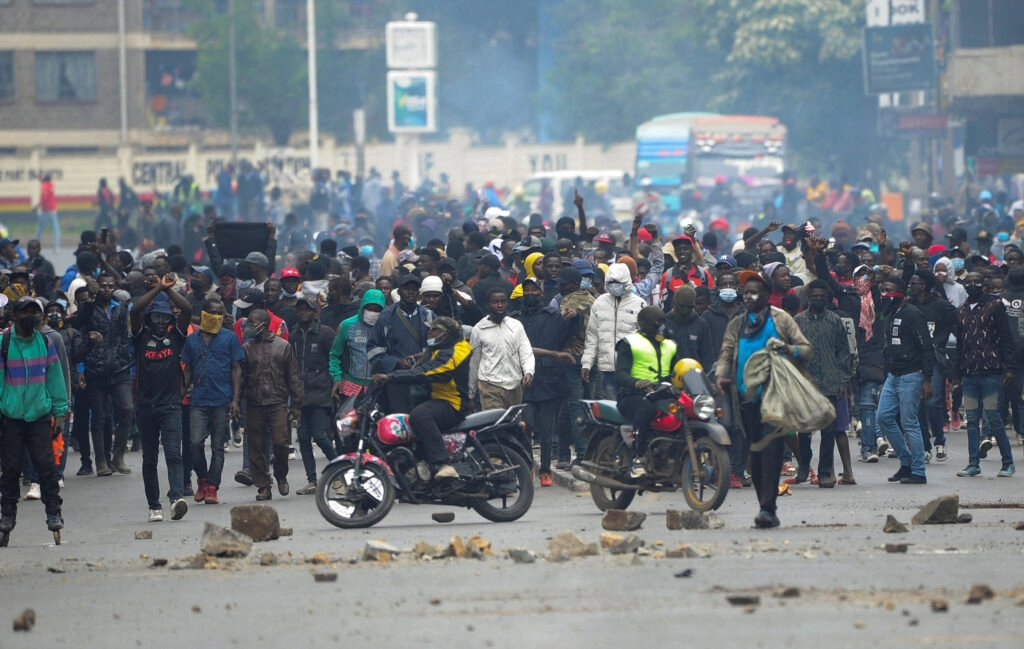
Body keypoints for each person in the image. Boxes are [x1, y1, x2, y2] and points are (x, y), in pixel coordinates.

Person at [717, 270, 812, 528]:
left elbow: (805, 349)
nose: (748, 296)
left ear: (768, 295)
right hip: (745, 398)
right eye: (745, 292)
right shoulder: (737, 323)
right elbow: (726, 353)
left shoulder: (781, 320)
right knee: (756, 453)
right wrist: (722, 376)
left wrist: (787, 349)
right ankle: (764, 504)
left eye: (754, 291)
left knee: (771, 451)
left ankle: (768, 509)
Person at [0, 297, 70, 541]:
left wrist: (61, 411)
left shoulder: (45, 342)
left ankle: (54, 511)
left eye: (34, 311)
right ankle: (7, 514)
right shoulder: (4, 343)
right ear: (15, 315)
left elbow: (55, 378)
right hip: (12, 417)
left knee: (47, 467)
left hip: (39, 415)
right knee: (10, 470)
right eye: (25, 311)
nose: (30, 316)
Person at [371, 317, 472, 480]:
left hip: (452, 404)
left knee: (420, 415)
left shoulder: (456, 352)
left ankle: (444, 464)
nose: (429, 332)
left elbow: (426, 372)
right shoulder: (440, 348)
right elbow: (432, 357)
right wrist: (424, 355)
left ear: (445, 335)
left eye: (434, 330)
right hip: (435, 399)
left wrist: (391, 377)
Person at [130, 274, 193, 522]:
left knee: (174, 455)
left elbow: (187, 308)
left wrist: (169, 290)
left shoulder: (175, 337)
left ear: (169, 319)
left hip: (170, 406)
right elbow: (135, 309)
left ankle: (176, 498)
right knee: (149, 459)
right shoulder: (140, 338)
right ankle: (154, 506)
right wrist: (158, 289)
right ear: (149, 319)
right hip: (145, 407)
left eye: (163, 317)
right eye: (155, 317)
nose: (159, 321)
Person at [953, 272, 1017, 478]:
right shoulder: (961, 310)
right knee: (971, 419)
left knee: (993, 417)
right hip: (969, 372)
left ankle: (1008, 462)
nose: (973, 285)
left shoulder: (995, 305)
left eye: (977, 282)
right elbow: (961, 343)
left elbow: (1007, 337)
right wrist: (957, 371)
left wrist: (1009, 368)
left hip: (991, 370)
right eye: (969, 282)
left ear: (984, 284)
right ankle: (973, 463)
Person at [182, 297, 244, 505]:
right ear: (203, 314)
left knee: (218, 446)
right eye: (212, 313)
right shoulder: (192, 339)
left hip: (222, 398)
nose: (216, 317)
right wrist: (181, 391)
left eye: (220, 313)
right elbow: (188, 368)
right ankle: (202, 477)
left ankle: (212, 487)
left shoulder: (229, 338)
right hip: (198, 399)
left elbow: (237, 369)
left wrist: (235, 400)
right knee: (195, 443)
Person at [793, 280, 854, 487]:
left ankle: (825, 472)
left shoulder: (835, 321)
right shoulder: (798, 321)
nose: (818, 300)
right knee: (804, 431)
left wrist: (842, 381)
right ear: (808, 298)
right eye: (814, 297)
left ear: (827, 298)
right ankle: (803, 468)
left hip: (830, 383)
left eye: (822, 296)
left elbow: (844, 353)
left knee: (828, 432)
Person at [516, 278, 577, 486]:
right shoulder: (515, 319)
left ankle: (545, 470)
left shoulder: (553, 316)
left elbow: (569, 333)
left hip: (549, 379)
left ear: (541, 293)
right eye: (527, 290)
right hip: (524, 380)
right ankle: (526, 467)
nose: (531, 294)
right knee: (526, 424)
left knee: (547, 428)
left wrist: (574, 317)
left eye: (535, 290)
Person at [876, 277, 935, 485]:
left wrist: (927, 379)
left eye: (888, 290)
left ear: (901, 292)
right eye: (882, 290)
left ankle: (918, 471)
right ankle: (906, 462)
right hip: (893, 375)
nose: (885, 294)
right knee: (883, 417)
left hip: (911, 375)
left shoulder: (914, 314)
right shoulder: (891, 313)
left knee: (910, 423)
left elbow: (927, 347)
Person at [75, 272, 134, 476]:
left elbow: (123, 337)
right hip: (95, 367)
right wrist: (81, 368)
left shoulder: (120, 309)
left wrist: (123, 358)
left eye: (110, 286)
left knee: (127, 409)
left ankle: (118, 456)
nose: (107, 289)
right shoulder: (88, 308)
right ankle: (101, 460)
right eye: (103, 286)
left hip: (119, 368)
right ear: (97, 287)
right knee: (99, 417)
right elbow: (79, 334)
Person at [242, 309, 303, 501]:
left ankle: (281, 474)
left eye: (252, 323)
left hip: (277, 401)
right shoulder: (247, 347)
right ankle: (263, 485)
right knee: (256, 446)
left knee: (280, 442)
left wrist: (297, 404)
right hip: (254, 402)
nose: (248, 327)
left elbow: (293, 376)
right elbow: (240, 376)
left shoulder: (283, 346)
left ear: (263, 324)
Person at [614, 306, 677, 478]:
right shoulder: (629, 343)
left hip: (661, 393)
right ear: (645, 325)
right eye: (657, 323)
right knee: (646, 409)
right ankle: (637, 458)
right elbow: (620, 374)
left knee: (683, 409)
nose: (661, 327)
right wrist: (636, 383)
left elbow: (679, 368)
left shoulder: (670, 345)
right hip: (631, 395)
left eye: (664, 322)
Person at [290, 296, 338, 495]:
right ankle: (312, 480)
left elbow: (334, 358)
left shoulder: (325, 333)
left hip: (320, 391)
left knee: (319, 434)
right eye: (300, 309)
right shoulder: (294, 334)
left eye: (307, 309)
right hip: (300, 393)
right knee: (302, 437)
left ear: (314, 311)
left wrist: (335, 381)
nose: (303, 312)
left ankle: (339, 471)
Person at [367, 274, 434, 414]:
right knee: (398, 418)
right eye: (406, 288)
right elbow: (373, 348)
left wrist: (425, 357)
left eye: (414, 289)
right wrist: (396, 362)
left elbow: (440, 345)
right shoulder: (386, 316)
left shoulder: (428, 316)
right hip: (395, 380)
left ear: (419, 292)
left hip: (422, 380)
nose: (411, 292)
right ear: (398, 291)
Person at [582, 262, 643, 399]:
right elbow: (592, 335)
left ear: (626, 282)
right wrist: (587, 362)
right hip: (607, 369)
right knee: (611, 410)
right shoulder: (599, 303)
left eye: (618, 282)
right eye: (611, 282)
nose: (614, 285)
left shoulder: (639, 304)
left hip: (631, 370)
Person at [469, 287, 534, 410]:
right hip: (490, 385)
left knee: (514, 425)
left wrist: (529, 372)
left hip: (515, 384)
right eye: (495, 302)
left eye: (503, 302)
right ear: (487, 305)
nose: (500, 305)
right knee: (495, 424)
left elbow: (526, 351)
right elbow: (474, 362)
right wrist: (471, 394)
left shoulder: (516, 325)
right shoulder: (479, 329)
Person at [34, 174, 60, 251]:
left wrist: (38, 205)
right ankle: (56, 246)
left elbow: (44, 197)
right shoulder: (51, 185)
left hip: (46, 210)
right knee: (56, 229)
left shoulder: (45, 186)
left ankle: (35, 245)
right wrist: (40, 178)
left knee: (40, 228)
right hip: (53, 210)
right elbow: (43, 180)